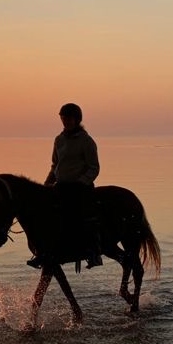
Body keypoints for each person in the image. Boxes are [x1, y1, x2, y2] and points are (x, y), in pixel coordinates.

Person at [27, 103, 102, 269]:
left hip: (80, 187)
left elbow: (94, 167)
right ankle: (43, 252)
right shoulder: (59, 140)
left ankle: (93, 252)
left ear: (76, 120)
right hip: (61, 185)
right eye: (63, 118)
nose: (65, 121)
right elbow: (55, 165)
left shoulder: (86, 141)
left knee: (81, 217)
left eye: (68, 118)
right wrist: (47, 183)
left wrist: (82, 181)